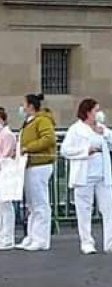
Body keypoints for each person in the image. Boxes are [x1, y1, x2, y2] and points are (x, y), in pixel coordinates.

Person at [60, 99, 112, 255]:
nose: (99, 113)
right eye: (96, 110)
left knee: (109, 208)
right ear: (88, 112)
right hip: (84, 175)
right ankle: (87, 242)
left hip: (103, 175)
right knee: (84, 210)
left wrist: (104, 133)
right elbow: (65, 150)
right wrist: (85, 151)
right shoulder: (75, 129)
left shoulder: (101, 128)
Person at [17, 94, 56, 251]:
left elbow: (48, 139)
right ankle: (32, 235)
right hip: (29, 164)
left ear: (31, 106)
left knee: (40, 203)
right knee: (32, 204)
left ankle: (41, 238)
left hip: (40, 164)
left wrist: (28, 148)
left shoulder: (42, 120)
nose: (22, 107)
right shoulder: (29, 122)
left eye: (24, 104)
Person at [0, 108, 17, 250]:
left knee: (5, 205)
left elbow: (5, 155)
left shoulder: (7, 134)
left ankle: (7, 237)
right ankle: (3, 236)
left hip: (5, 172)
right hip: (3, 170)